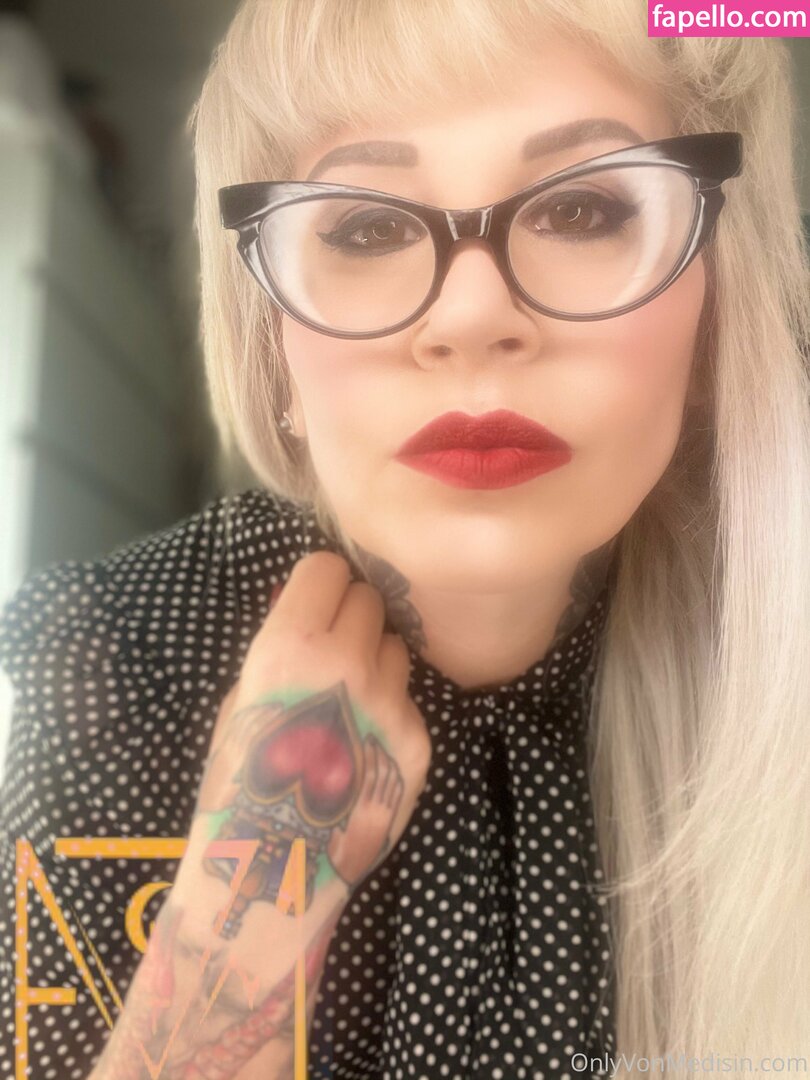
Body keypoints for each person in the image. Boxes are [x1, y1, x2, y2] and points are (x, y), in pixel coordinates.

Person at [1, 1, 809, 1077]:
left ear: (712, 313)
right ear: (274, 347)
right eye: (365, 229)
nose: (471, 317)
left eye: (582, 209)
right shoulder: (116, 660)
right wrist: (245, 915)